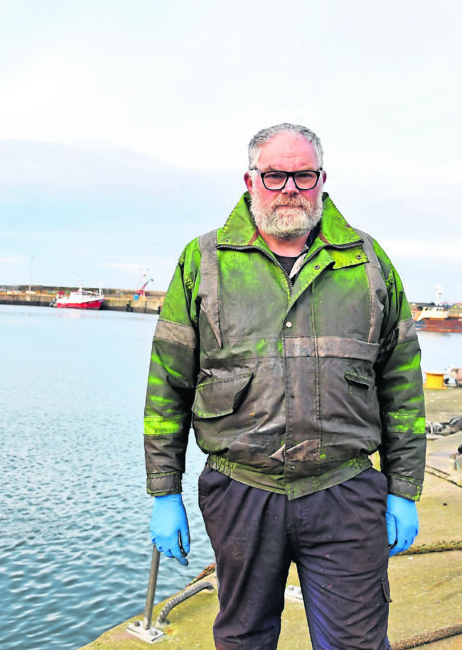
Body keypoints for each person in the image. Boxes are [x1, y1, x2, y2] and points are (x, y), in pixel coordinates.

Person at [143, 123, 426, 649]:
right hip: (241, 492)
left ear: (324, 180)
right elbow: (168, 386)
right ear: (250, 181)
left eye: (303, 175)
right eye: (275, 176)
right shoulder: (203, 263)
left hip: (344, 491)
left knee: (356, 643)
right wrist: (164, 492)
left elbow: (401, 384)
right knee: (244, 638)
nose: (290, 188)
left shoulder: (368, 263)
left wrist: (404, 489)